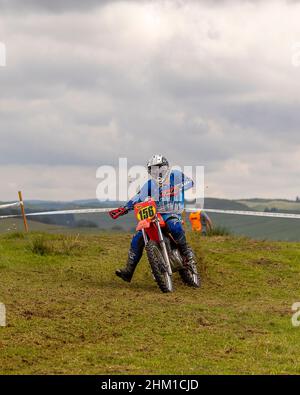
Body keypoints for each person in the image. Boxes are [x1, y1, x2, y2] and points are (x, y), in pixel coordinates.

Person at [109, 154, 197, 282]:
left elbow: (190, 182)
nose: (157, 172)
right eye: (153, 169)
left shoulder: (175, 175)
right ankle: (128, 271)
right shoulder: (150, 184)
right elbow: (138, 198)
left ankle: (187, 255)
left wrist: (177, 188)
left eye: (159, 168)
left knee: (174, 226)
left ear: (166, 168)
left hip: (172, 213)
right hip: (156, 214)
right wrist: (124, 208)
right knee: (138, 238)